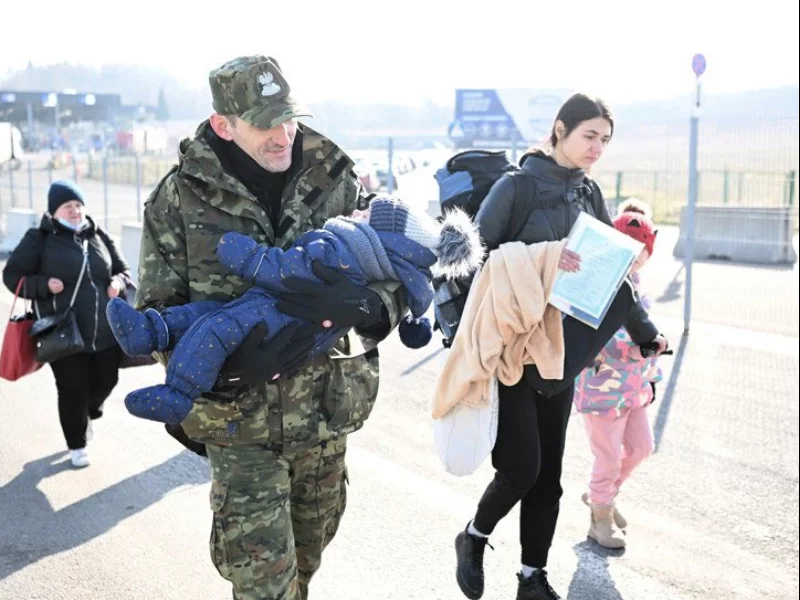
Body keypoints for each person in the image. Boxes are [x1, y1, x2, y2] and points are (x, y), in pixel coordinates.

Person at [134, 54, 414, 600]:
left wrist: (369, 308)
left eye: (289, 117)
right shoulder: (178, 198)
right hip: (240, 427)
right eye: (266, 122)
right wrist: (224, 370)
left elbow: (393, 267)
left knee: (309, 557)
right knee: (264, 583)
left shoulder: (334, 178)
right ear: (225, 125)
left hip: (327, 415)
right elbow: (159, 309)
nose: (283, 134)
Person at [453, 93, 668, 600]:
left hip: (563, 351)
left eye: (605, 140)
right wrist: (545, 258)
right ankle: (474, 535)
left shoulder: (588, 194)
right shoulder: (517, 187)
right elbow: (475, 262)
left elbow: (607, 270)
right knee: (521, 469)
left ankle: (532, 577)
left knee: (548, 478)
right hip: (513, 350)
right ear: (560, 130)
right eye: (589, 136)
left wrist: (644, 331)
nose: (597, 148)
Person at [108, 197, 480, 425]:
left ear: (380, 235)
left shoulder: (340, 249)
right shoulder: (368, 253)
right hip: (263, 315)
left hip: (276, 321)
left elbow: (286, 270)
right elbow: (417, 308)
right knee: (206, 313)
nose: (358, 209)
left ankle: (178, 393)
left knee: (215, 327)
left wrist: (248, 258)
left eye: (367, 212)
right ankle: (149, 331)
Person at [2, 180, 129, 468]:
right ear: (54, 212)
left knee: (107, 381)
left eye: (78, 205)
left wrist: (117, 282)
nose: (74, 211)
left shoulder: (98, 235)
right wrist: (44, 284)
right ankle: (77, 445)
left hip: (105, 331)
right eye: (67, 206)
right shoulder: (39, 239)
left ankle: (89, 414)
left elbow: (124, 270)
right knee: (72, 388)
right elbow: (12, 276)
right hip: (63, 332)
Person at [574, 199, 663, 549]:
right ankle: (599, 520)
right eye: (630, 245)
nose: (637, 254)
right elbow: (594, 337)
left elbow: (647, 335)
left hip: (634, 389)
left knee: (641, 448)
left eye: (643, 249)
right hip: (601, 391)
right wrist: (639, 347)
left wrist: (650, 373)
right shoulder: (598, 284)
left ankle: (603, 495)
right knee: (608, 457)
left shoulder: (638, 285)